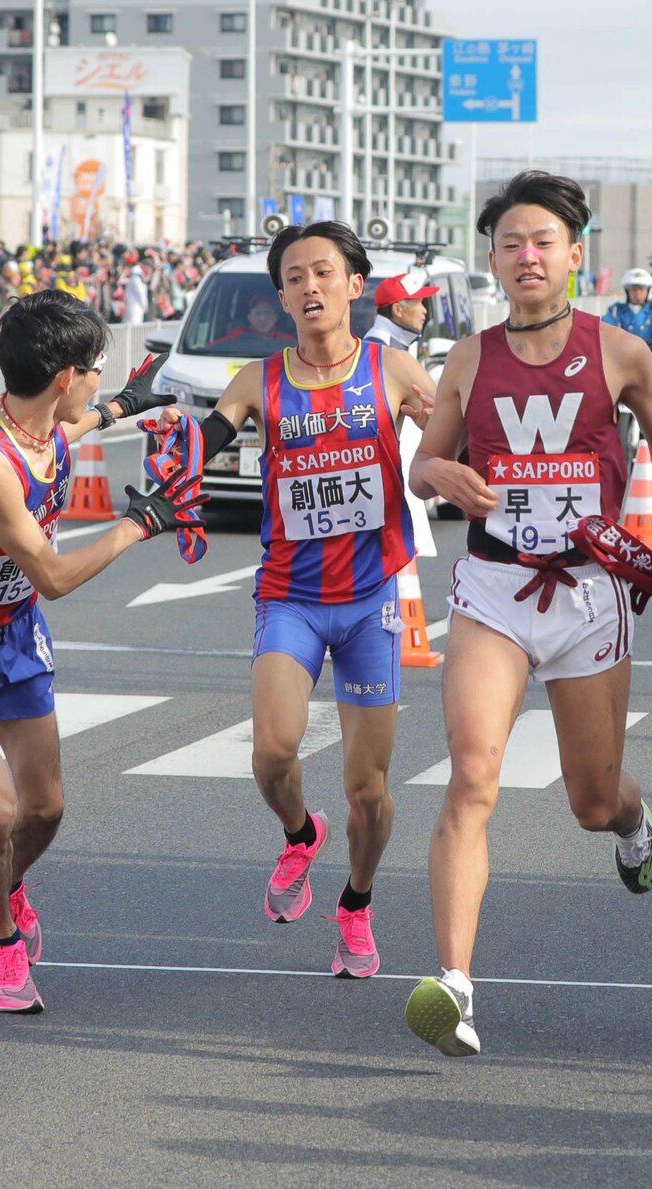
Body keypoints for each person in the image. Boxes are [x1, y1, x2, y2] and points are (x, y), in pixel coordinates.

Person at [403, 170, 652, 1056]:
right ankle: (454, 984)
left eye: (543, 242)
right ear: (492, 259)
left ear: (576, 255)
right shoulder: (467, 356)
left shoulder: (620, 352)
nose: (526, 256)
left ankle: (633, 819)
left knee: (590, 799)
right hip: (494, 589)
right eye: (510, 243)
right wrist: (443, 475)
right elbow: (424, 462)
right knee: (471, 777)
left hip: (589, 593)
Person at [124, 222, 434, 979]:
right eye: (294, 277)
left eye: (324, 273)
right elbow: (207, 440)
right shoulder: (256, 381)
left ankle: (356, 904)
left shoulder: (392, 371)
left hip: (370, 599)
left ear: (355, 287)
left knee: (369, 791)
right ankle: (300, 834)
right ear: (282, 296)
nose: (310, 287)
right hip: (291, 595)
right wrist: (174, 448)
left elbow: (459, 435)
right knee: (272, 752)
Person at [0, 290, 208, 1013]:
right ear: (64, 375)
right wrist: (141, 521)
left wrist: (127, 403)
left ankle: (7, 878)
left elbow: (78, 422)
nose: (98, 379)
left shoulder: (44, 423)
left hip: (14, 632)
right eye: (97, 368)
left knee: (47, 809)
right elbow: (57, 578)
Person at [363, 272, 440, 352]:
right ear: (397, 310)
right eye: (419, 303)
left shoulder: (388, 343)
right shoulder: (378, 347)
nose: (424, 310)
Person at [602, 267, 652, 345]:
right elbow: (605, 327)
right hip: (621, 354)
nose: (637, 293)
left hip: (650, 354)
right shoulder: (616, 311)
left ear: (648, 291)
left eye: (641, 289)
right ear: (627, 291)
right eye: (633, 289)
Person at [211, 292, 295, 348]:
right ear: (249, 318)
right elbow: (213, 347)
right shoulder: (238, 335)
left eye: (267, 313)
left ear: (275, 317)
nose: (262, 318)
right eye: (257, 314)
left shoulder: (288, 341)